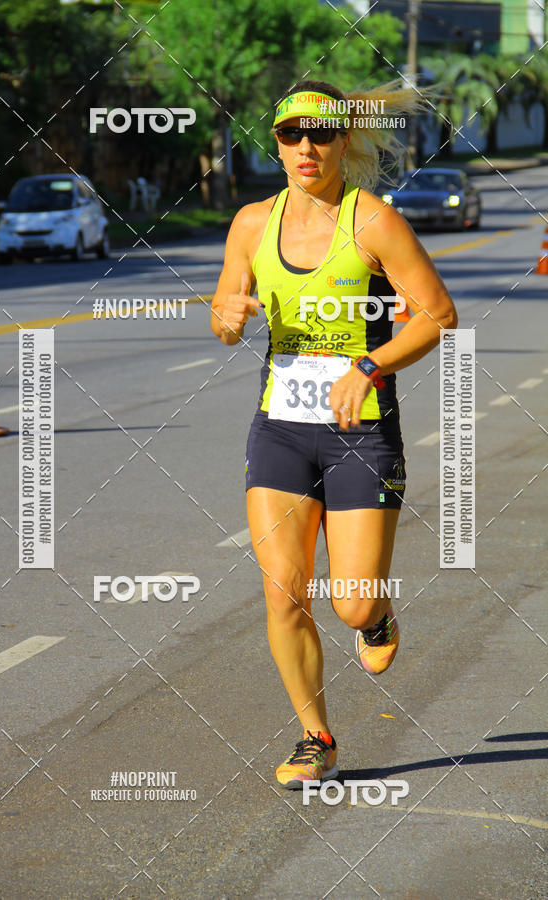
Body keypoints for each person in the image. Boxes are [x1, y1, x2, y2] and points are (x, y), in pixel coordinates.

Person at [210, 80, 457, 790]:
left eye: (321, 134)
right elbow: (225, 315)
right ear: (277, 143)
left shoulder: (373, 221)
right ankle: (316, 737)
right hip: (281, 431)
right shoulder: (251, 224)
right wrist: (226, 316)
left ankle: (375, 617)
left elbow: (439, 316)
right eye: (292, 134)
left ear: (344, 141)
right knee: (284, 594)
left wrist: (369, 366)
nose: (306, 147)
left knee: (351, 601)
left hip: (361, 433)